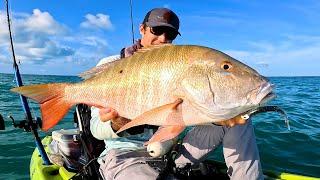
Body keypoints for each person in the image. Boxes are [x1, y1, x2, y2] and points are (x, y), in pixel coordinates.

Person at [90, 8, 263, 180]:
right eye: (157, 30)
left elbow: (186, 113)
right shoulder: (112, 65)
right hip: (126, 157)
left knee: (239, 118)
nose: (163, 38)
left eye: (170, 34)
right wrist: (117, 123)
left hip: (171, 153)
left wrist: (219, 116)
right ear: (142, 29)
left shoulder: (177, 65)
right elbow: (95, 130)